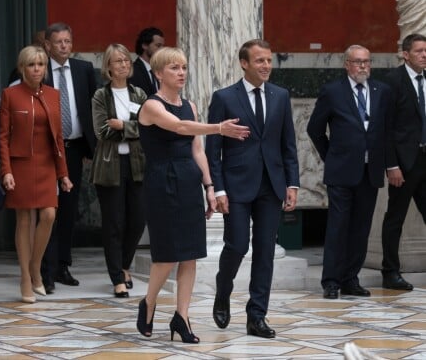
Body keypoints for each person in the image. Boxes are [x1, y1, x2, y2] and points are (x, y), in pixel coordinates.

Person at [136, 47, 249, 344]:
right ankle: (148, 302)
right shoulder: (151, 105)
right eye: (174, 68)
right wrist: (219, 128)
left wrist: (210, 187)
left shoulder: (191, 105)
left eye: (184, 67)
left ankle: (182, 317)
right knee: (167, 253)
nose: (182, 72)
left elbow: (196, 149)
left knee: (191, 253)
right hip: (161, 180)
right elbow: (178, 126)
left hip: (188, 179)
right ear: (159, 73)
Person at [206, 39, 299, 339]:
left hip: (271, 186)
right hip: (235, 186)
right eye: (260, 60)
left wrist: (292, 183)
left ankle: (256, 315)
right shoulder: (224, 97)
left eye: (269, 60)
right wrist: (218, 189)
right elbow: (213, 151)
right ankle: (223, 292)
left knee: (265, 251)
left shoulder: (281, 96)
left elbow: (288, 145)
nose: (266, 66)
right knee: (237, 245)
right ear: (244, 63)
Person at [307, 45, 394, 299]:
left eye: (366, 62)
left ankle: (350, 279)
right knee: (338, 226)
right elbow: (315, 129)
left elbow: (386, 131)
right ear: (347, 64)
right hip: (341, 172)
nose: (363, 66)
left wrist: (389, 164)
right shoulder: (333, 91)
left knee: (361, 227)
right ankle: (331, 281)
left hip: (371, 171)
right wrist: (331, 156)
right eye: (357, 62)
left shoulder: (382, 91)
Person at [0, 46, 72, 303]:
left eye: (41, 64)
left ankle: (34, 267)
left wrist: (63, 174)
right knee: (24, 220)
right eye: (31, 65)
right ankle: (25, 278)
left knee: (49, 214)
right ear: (22, 68)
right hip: (21, 164)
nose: (37, 69)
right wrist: (5, 170)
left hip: (47, 164)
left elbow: (59, 138)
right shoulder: (10, 94)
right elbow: (3, 137)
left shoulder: (53, 95)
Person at [41, 22, 97, 292]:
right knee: (47, 209)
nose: (64, 46)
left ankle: (63, 264)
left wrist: (91, 148)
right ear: (47, 45)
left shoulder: (83, 70)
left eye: (67, 41)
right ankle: (45, 270)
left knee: (68, 209)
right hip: (46, 150)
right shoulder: (38, 69)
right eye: (58, 42)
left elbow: (91, 108)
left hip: (74, 149)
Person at [91, 44, 147, 298]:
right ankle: (117, 277)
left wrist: (123, 125)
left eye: (126, 60)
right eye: (117, 61)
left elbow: (149, 127)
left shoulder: (140, 94)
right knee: (114, 223)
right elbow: (101, 131)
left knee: (136, 221)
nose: (123, 64)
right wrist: (130, 127)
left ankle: (125, 265)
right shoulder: (100, 96)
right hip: (109, 167)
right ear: (108, 67)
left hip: (137, 166)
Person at [380, 33, 426, 291]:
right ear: (405, 54)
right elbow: (386, 129)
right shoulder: (392, 82)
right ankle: (390, 272)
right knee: (395, 218)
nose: (424, 55)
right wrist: (392, 165)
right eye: (419, 51)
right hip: (404, 165)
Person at [129, 27, 165, 95]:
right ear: (145, 45)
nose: (161, 50)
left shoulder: (161, 71)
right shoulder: (131, 71)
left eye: (162, 46)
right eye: (158, 45)